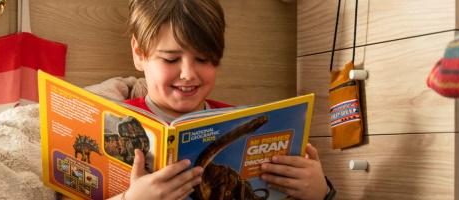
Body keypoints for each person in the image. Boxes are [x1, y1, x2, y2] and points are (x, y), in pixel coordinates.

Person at [111, 0, 335, 199]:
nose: (188, 73)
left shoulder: (237, 119)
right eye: (170, 59)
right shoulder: (112, 121)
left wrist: (320, 192)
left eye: (203, 58)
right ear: (139, 53)